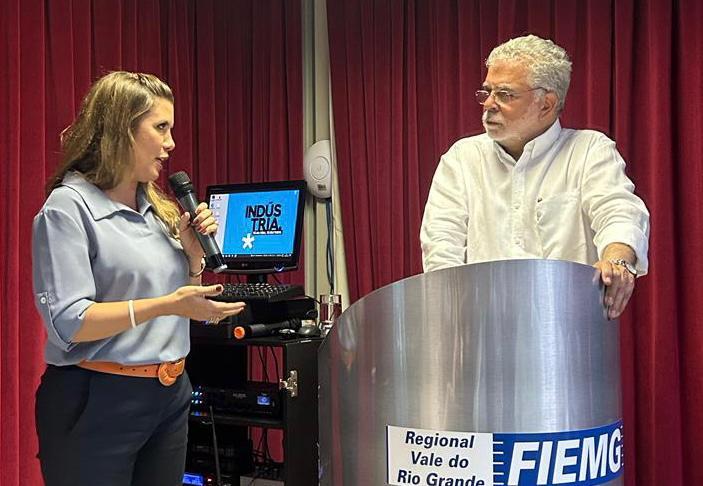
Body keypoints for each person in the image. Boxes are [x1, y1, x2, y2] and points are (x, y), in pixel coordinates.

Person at [32, 71, 245, 486]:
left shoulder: (158, 207)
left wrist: (193, 258)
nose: (171, 144)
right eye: (161, 128)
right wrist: (168, 305)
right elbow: (68, 324)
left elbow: (181, 294)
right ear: (120, 130)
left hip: (168, 395)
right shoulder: (67, 208)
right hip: (97, 396)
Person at [420, 35, 650, 319]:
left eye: (505, 94)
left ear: (546, 104)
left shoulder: (589, 150)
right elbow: (442, 248)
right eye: (487, 91)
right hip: (482, 332)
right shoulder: (461, 159)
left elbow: (618, 212)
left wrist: (617, 261)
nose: (488, 104)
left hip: (568, 332)